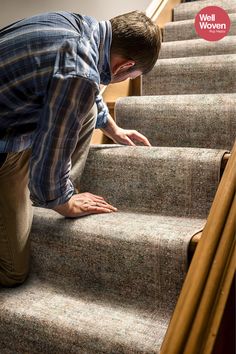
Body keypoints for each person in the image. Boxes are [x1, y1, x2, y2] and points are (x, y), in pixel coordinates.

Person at [0, 10, 161, 286]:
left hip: (9, 114)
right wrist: (64, 202)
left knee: (84, 106)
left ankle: (51, 190)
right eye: (131, 75)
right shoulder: (80, 72)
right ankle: (52, 194)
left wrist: (113, 129)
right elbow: (79, 81)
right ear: (125, 66)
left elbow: (85, 92)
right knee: (13, 270)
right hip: (5, 146)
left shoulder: (83, 26)